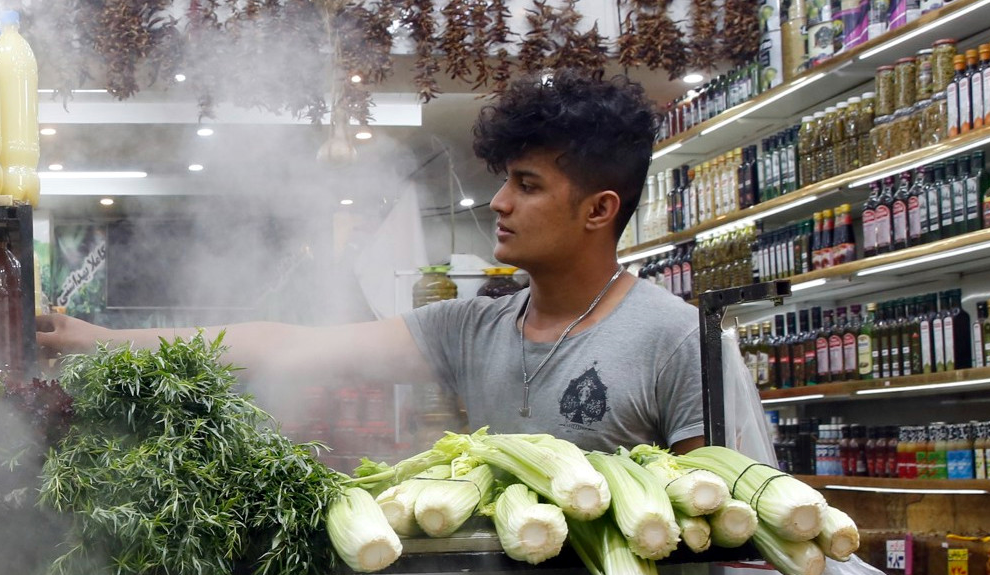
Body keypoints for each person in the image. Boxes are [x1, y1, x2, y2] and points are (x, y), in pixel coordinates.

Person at [35, 72, 707, 455]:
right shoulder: (474, 330)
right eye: (505, 180)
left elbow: (732, 528)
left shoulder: (675, 339)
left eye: (527, 186)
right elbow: (280, 345)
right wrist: (99, 341)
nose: (499, 202)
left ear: (599, 209)